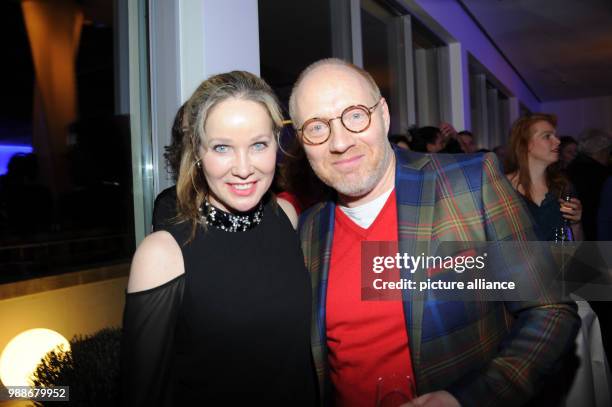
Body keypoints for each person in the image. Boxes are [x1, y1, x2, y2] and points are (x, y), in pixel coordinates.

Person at [288, 58, 580, 407]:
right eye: (316, 127)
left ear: (383, 114)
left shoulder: (469, 183)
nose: (339, 142)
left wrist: (468, 399)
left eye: (354, 115)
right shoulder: (309, 230)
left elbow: (550, 309)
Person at [121, 71, 317, 405]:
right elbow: (142, 395)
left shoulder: (287, 216)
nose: (243, 168)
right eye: (222, 147)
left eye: (258, 145)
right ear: (197, 152)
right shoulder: (163, 254)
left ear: (276, 144)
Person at [505, 114, 583, 241]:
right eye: (547, 136)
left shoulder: (563, 187)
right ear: (525, 144)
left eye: (555, 136)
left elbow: (577, 247)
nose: (558, 141)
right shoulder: (501, 188)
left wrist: (576, 222)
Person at [566, 128, 612, 240]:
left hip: (577, 235)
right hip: (592, 236)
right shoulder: (601, 175)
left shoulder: (569, 169)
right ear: (602, 151)